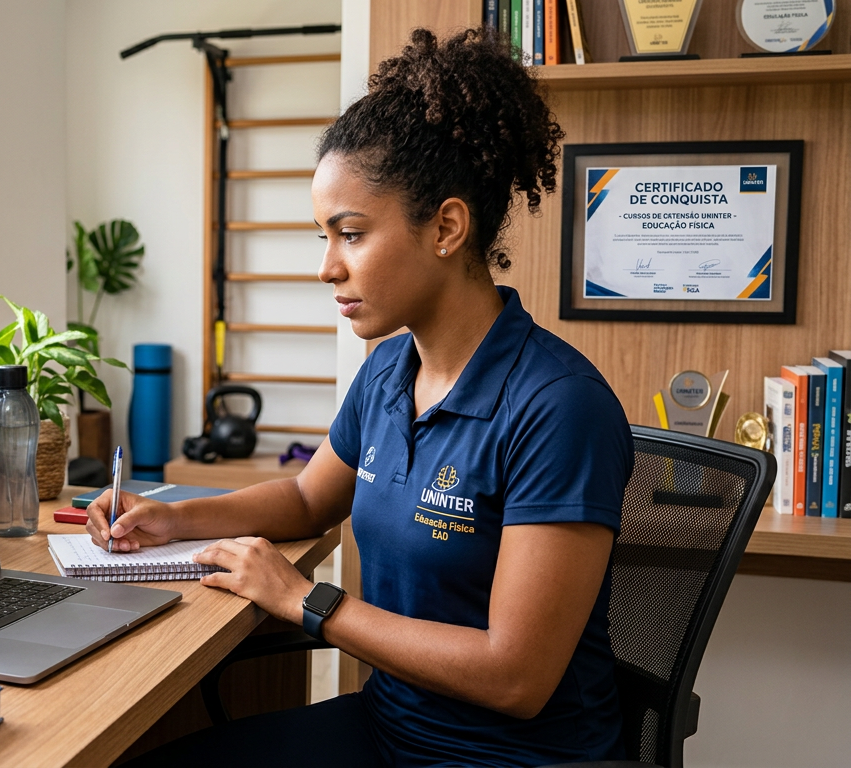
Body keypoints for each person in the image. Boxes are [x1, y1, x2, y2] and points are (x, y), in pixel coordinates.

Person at [90, 28, 633, 767]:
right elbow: (307, 499)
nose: (327, 268)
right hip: (390, 731)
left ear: (446, 228)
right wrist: (172, 519)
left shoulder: (559, 407)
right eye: (324, 236)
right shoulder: (387, 372)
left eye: (349, 234)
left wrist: (304, 600)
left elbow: (516, 678)